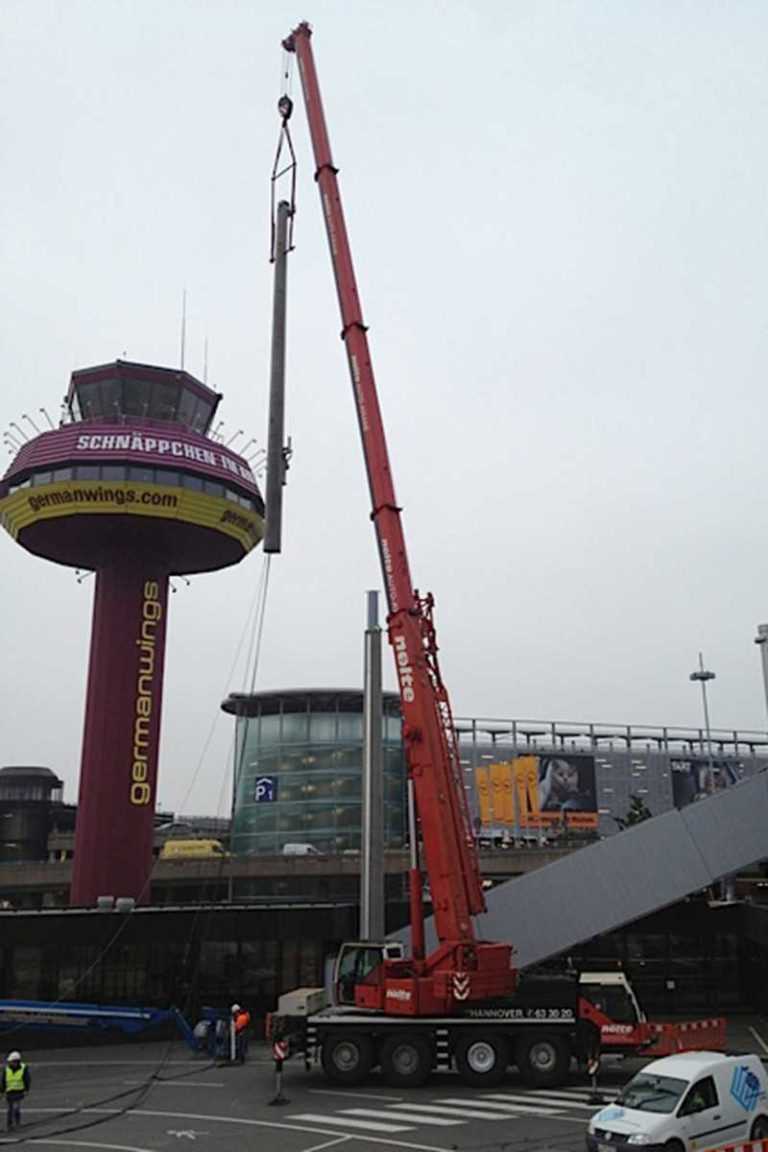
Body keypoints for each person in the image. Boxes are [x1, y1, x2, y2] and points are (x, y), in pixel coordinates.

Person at [2, 1051, 30, 1131]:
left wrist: (26, 1089)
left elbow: (27, 1080)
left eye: (11, 1062)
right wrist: (2, 1091)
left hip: (19, 1091)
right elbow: (3, 1081)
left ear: (16, 1062)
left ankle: (17, 1123)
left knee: (16, 1107)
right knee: (10, 1109)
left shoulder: (23, 1069)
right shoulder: (7, 1069)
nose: (10, 1063)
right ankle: (10, 1125)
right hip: (9, 1092)